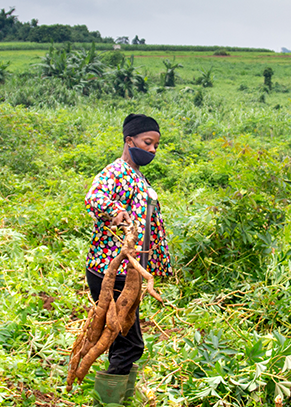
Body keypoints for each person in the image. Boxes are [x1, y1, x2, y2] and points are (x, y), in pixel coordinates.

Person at [81, 113, 172, 406]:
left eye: (156, 145)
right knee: (129, 343)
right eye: (148, 143)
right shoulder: (115, 172)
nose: (153, 150)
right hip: (113, 270)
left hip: (129, 272)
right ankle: (107, 402)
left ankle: (118, 399)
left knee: (122, 338)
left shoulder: (136, 175)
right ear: (129, 140)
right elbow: (95, 198)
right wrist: (116, 214)